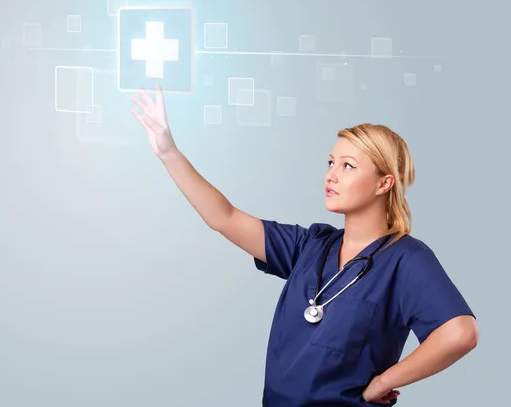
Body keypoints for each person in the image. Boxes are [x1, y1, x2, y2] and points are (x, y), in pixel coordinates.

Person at [130, 86, 479, 406]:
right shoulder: (311, 245)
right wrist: (168, 152)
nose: (331, 175)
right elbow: (224, 217)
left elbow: (459, 332)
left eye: (348, 166)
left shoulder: (406, 259)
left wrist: (385, 381)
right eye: (331, 162)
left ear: (383, 183)